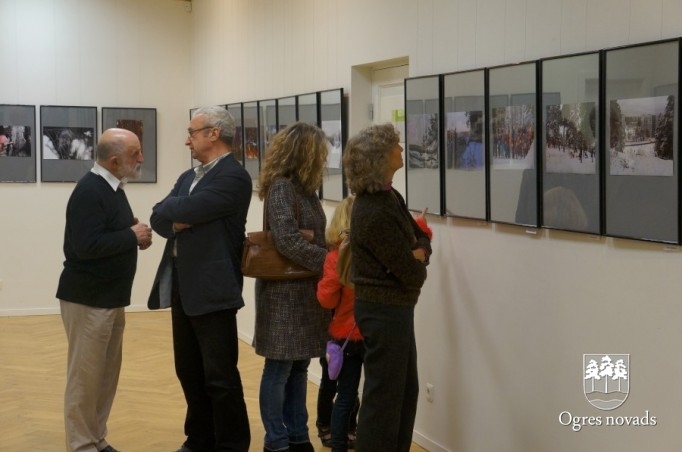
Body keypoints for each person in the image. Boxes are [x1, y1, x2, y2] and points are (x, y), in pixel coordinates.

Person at [147, 106, 252, 452]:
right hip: (183, 284)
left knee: (219, 376)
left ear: (213, 133)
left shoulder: (234, 177)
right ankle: (199, 438)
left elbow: (185, 209)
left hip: (213, 288)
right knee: (188, 370)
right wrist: (179, 217)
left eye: (191, 132)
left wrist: (180, 214)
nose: (186, 139)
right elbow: (159, 215)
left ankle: (232, 443)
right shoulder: (188, 177)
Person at [56, 128, 152, 452]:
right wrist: (131, 236)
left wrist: (134, 234)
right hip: (88, 299)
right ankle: (82, 444)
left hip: (109, 299)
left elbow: (109, 234)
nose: (141, 158)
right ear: (114, 160)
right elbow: (85, 246)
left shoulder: (112, 188)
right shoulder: (89, 191)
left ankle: (97, 438)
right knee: (85, 379)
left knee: (105, 376)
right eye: (135, 153)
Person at [342, 123, 432, 452]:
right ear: (380, 157)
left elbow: (420, 238)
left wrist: (418, 250)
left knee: (404, 390)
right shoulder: (373, 210)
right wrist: (418, 257)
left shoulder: (389, 197)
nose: (402, 149)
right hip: (383, 311)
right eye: (396, 145)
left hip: (394, 308)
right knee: (384, 398)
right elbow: (411, 271)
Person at [253, 121, 331, 452]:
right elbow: (286, 240)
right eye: (321, 153)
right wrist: (329, 262)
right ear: (307, 153)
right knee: (279, 369)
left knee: (299, 367)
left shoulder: (305, 190)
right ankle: (277, 439)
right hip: (285, 294)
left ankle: (298, 435)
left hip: (305, 293)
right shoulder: (283, 188)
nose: (325, 159)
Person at [316, 195, 363, 452]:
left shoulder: (335, 257)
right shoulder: (366, 255)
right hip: (366, 334)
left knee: (344, 394)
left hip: (346, 334)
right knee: (351, 394)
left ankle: (340, 443)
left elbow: (326, 298)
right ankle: (346, 437)